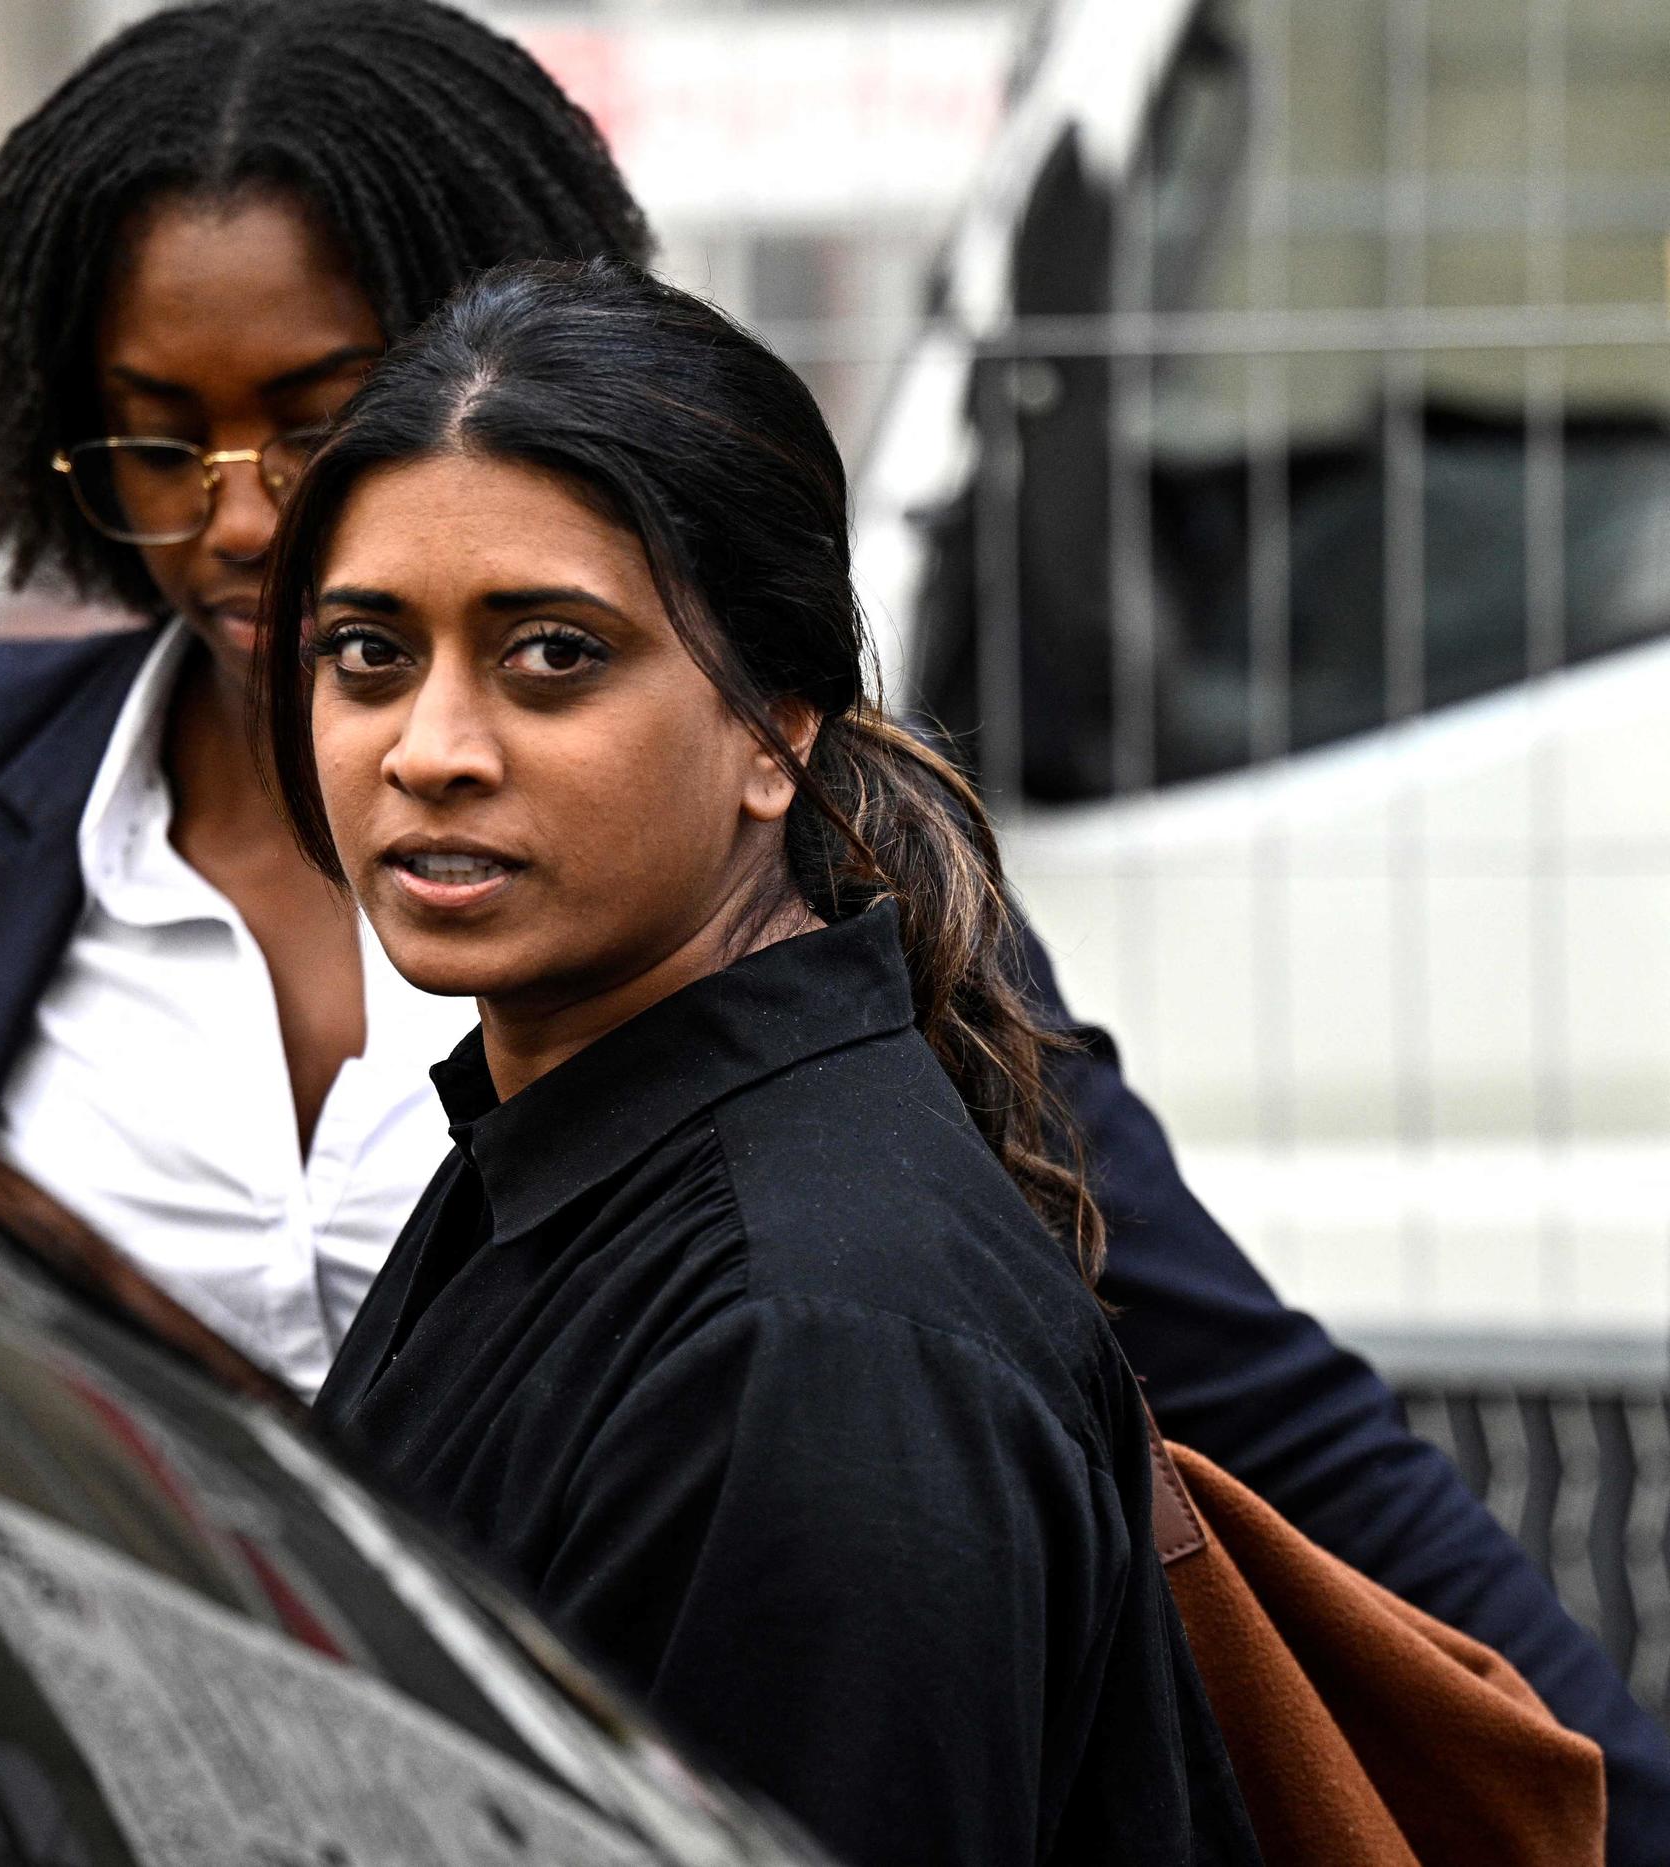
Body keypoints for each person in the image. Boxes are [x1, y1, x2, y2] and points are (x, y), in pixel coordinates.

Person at [0, 2, 1670, 1851]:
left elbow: (1219, 1392)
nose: (242, 519)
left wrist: (1603, 1800)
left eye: (317, 423)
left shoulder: (826, 1031)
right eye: (159, 440)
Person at [274, 252, 1251, 1866]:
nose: (429, 749)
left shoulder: (813, 1346)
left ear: (776, 727)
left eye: (552, 656)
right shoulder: (576, 1139)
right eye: (370, 653)